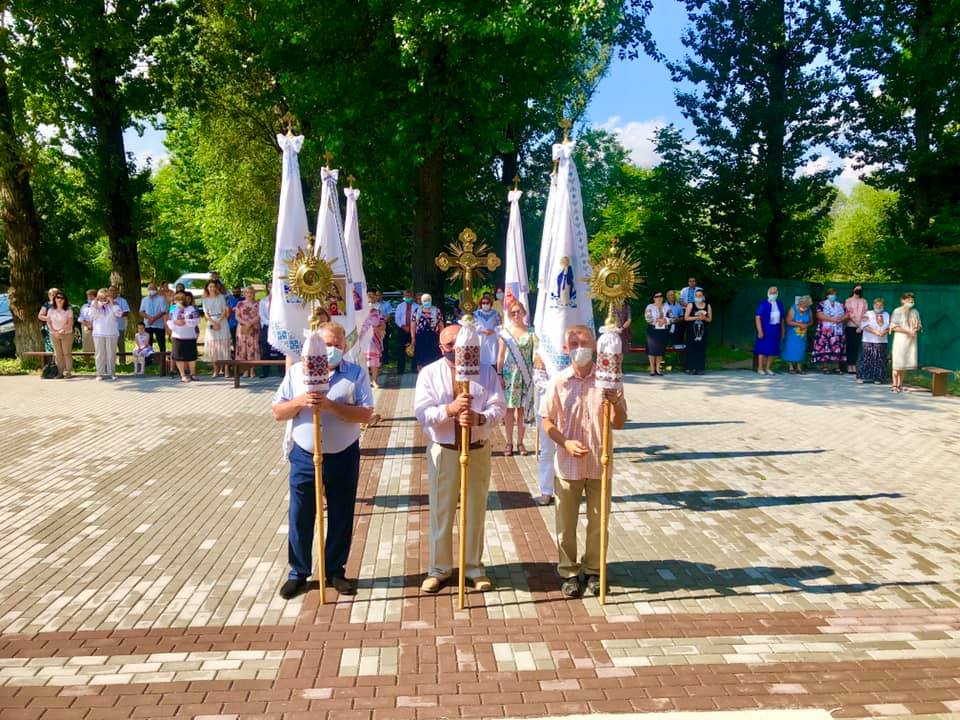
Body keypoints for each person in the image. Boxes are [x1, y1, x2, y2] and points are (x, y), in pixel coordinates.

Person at [272, 322, 374, 599]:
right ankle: (298, 572)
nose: (330, 350)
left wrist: (330, 405)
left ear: (344, 345)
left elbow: (366, 414)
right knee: (301, 513)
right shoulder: (297, 373)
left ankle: (335, 570)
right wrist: (301, 402)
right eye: (325, 345)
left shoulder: (355, 374)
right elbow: (278, 412)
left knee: (341, 513)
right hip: (305, 455)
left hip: (343, 454)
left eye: (336, 345)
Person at [414, 323, 505, 594]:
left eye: (460, 343)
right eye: (450, 345)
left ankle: (473, 567)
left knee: (475, 510)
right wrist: (449, 410)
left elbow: (498, 407)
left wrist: (480, 418)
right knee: (441, 511)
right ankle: (439, 569)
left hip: (477, 448)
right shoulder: (430, 373)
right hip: (444, 450)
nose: (456, 349)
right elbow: (422, 412)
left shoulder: (486, 372)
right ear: (441, 347)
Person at [541, 325, 628, 598]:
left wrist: (614, 402)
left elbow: (619, 423)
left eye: (585, 342)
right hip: (568, 465)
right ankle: (568, 571)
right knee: (566, 525)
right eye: (574, 343)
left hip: (600, 464)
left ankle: (593, 570)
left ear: (595, 346)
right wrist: (565, 442)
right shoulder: (559, 381)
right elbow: (546, 421)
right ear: (565, 349)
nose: (580, 348)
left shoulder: (609, 380)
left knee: (598, 523)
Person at [496, 301, 537, 457]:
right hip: (510, 375)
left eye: (518, 311)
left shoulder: (532, 332)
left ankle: (520, 442)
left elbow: (536, 354)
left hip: (526, 374)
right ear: (509, 315)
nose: (516, 315)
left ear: (524, 312)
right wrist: (499, 374)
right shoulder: (505, 333)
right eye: (513, 312)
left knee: (522, 410)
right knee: (509, 410)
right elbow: (500, 356)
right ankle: (509, 442)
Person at [532, 353, 555, 506]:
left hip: (569, 407)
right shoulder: (541, 354)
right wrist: (559, 387)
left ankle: (566, 488)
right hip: (547, 406)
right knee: (547, 449)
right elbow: (540, 382)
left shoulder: (571, 348)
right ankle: (546, 490)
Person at [890, 292, 921, 393]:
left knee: (904, 363)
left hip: (911, 340)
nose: (910, 301)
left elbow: (919, 325)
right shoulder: (897, 311)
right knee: (897, 363)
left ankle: (900, 384)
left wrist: (915, 330)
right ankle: (894, 384)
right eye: (908, 300)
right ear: (902, 300)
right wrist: (908, 331)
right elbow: (894, 327)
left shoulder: (915, 312)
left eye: (912, 300)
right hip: (900, 339)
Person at [167, 292, 201, 382]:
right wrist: (175, 323)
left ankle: (192, 374)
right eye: (176, 300)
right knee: (179, 356)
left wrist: (186, 322)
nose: (177, 302)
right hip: (177, 336)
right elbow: (169, 321)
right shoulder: (173, 309)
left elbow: (197, 320)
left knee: (191, 356)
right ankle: (183, 375)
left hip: (190, 336)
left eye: (179, 300)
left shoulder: (191, 309)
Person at [813, 288, 847, 373]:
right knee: (825, 347)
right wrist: (832, 319)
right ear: (827, 295)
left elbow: (847, 314)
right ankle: (825, 367)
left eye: (834, 294)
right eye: (831, 294)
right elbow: (819, 315)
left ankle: (836, 367)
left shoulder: (840, 305)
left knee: (837, 347)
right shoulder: (822, 304)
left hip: (837, 330)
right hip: (825, 330)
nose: (833, 296)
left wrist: (841, 319)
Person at [90, 288, 122, 380]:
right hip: (98, 333)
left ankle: (112, 372)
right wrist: (95, 305)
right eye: (101, 297)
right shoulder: (95, 304)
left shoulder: (114, 304)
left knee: (111, 353)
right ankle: (99, 373)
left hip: (111, 333)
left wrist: (111, 303)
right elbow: (92, 316)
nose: (103, 299)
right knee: (99, 354)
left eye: (105, 297)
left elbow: (119, 314)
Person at [202, 280, 232, 377]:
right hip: (211, 321)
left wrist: (218, 321)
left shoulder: (221, 297)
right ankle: (215, 370)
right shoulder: (205, 299)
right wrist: (213, 322)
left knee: (224, 346)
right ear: (207, 288)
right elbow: (206, 313)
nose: (212, 288)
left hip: (222, 321)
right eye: (210, 286)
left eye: (213, 286)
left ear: (216, 287)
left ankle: (226, 370)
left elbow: (224, 311)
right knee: (213, 347)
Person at [858, 298, 890, 385]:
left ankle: (878, 377)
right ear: (873, 305)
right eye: (877, 305)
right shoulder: (868, 313)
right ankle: (863, 377)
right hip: (868, 340)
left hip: (881, 341)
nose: (879, 307)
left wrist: (883, 332)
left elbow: (889, 326)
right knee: (867, 358)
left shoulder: (886, 314)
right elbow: (864, 326)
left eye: (880, 305)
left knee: (880, 359)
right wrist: (875, 332)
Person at [754, 286, 785, 375]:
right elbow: (757, 317)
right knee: (762, 349)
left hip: (775, 330)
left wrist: (783, 330)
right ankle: (760, 368)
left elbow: (782, 319)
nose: (773, 294)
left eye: (775, 293)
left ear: (777, 294)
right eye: (771, 293)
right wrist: (760, 331)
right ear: (768, 293)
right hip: (765, 329)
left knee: (773, 349)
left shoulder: (779, 304)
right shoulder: (763, 304)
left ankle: (768, 368)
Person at [411, 292, 444, 371]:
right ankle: (420, 375)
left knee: (433, 359)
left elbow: (441, 325)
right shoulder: (417, 311)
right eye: (425, 300)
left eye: (428, 300)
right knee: (420, 359)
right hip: (420, 337)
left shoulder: (437, 310)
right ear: (422, 301)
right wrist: (413, 338)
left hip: (433, 337)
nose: (427, 302)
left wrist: (441, 338)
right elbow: (413, 325)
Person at [46, 291, 74, 379]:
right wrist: (54, 331)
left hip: (66, 334)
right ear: (54, 299)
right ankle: (60, 373)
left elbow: (70, 323)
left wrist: (62, 330)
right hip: (54, 334)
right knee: (58, 354)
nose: (60, 299)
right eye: (58, 297)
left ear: (65, 300)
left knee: (67, 353)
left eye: (62, 298)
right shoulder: (50, 310)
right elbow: (49, 323)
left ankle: (68, 372)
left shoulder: (68, 310)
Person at [782, 295, 814, 374]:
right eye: (804, 306)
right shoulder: (793, 308)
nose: (805, 308)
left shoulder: (809, 310)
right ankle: (791, 367)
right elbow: (788, 321)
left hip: (802, 334)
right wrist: (799, 324)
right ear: (800, 303)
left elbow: (811, 321)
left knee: (801, 349)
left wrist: (807, 325)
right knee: (791, 348)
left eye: (807, 306)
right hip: (792, 333)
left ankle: (799, 367)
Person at [234, 286, 261, 377]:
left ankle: (252, 371)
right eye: (247, 292)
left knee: (252, 349)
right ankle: (245, 371)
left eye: (251, 292)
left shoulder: (258, 304)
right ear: (244, 294)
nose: (249, 294)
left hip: (253, 329)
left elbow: (259, 316)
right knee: (243, 349)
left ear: (254, 294)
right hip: (242, 328)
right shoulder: (240, 304)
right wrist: (246, 323)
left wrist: (250, 323)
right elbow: (237, 316)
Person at [683, 289, 711, 375]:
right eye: (696, 295)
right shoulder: (691, 305)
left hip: (702, 330)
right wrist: (697, 318)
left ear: (703, 296)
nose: (698, 297)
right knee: (691, 348)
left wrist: (704, 318)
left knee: (701, 348)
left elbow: (709, 319)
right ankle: (689, 368)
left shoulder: (707, 305)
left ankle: (699, 368)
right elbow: (686, 318)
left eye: (700, 295)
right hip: (692, 330)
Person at [361, 294, 385, 388]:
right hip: (363, 340)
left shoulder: (378, 312)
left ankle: (374, 380)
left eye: (372, 301)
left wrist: (376, 329)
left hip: (374, 339)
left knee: (374, 361)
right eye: (368, 301)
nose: (370, 303)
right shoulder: (360, 312)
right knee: (363, 360)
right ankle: (364, 381)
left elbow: (383, 324)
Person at [643, 292, 670, 376]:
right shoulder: (650, 306)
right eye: (656, 296)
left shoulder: (666, 306)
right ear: (654, 298)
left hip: (663, 331)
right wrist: (657, 320)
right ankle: (652, 369)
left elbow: (672, 317)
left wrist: (665, 320)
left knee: (660, 350)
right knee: (652, 350)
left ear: (663, 298)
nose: (659, 298)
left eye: (660, 296)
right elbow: (647, 318)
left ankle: (658, 369)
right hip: (652, 331)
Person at [139, 283, 168, 358]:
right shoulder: (144, 300)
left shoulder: (161, 299)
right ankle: (148, 359)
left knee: (161, 343)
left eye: (153, 289)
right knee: (148, 343)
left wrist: (154, 319)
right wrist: (149, 318)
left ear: (156, 290)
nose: (151, 290)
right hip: (148, 324)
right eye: (150, 289)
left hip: (159, 325)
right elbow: (141, 311)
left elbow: (164, 311)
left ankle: (162, 359)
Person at [844, 284, 867, 374]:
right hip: (851, 326)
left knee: (857, 347)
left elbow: (865, 313)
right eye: (857, 288)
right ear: (853, 289)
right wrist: (858, 324)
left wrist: (861, 326)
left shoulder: (864, 301)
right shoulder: (848, 300)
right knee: (850, 346)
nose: (858, 290)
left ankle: (855, 365)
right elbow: (849, 313)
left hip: (860, 327)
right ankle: (849, 365)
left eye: (860, 289)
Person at [393, 289, 417, 375]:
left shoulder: (417, 307)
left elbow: (418, 318)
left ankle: (414, 368)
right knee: (401, 349)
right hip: (402, 330)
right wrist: (403, 326)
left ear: (412, 296)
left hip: (413, 329)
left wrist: (412, 327)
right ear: (404, 296)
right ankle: (400, 369)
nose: (407, 297)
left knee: (414, 348)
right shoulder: (400, 306)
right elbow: (397, 318)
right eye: (406, 296)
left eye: (409, 296)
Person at [474, 292, 501, 368]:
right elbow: (473, 326)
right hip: (480, 338)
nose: (485, 304)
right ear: (480, 304)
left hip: (492, 338)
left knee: (492, 359)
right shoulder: (476, 314)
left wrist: (493, 331)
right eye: (483, 303)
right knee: (481, 359)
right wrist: (482, 330)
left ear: (490, 304)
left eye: (487, 303)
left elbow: (500, 324)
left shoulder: (495, 313)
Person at [109, 286, 130, 365]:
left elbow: (127, 312)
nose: (112, 292)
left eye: (114, 290)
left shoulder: (122, 301)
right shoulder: (106, 301)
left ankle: (122, 362)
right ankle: (111, 362)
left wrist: (118, 314)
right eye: (110, 290)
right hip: (109, 327)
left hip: (119, 326)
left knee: (120, 344)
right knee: (110, 346)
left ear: (117, 292)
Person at [37, 287, 59, 352]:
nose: (54, 296)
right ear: (49, 296)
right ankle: (51, 358)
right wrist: (50, 318)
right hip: (50, 328)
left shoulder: (63, 304)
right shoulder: (46, 305)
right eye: (52, 295)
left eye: (56, 294)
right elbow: (40, 316)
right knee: (50, 346)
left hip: (61, 328)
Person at [226, 285, 243, 352]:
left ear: (240, 291)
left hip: (242, 323)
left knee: (242, 339)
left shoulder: (243, 299)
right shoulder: (229, 300)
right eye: (234, 291)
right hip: (232, 323)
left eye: (238, 291)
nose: (236, 293)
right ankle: (236, 353)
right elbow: (228, 311)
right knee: (235, 339)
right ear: (232, 292)